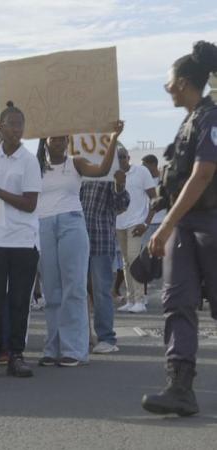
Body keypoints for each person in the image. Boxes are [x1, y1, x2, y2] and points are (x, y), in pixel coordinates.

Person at [141, 40, 217, 416]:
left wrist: (165, 226)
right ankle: (179, 387)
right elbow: (183, 175)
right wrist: (163, 205)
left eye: (169, 81)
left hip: (209, 223)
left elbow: (204, 174)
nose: (166, 87)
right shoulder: (190, 120)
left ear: (184, 81)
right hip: (186, 225)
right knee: (178, 302)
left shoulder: (212, 118)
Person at [35, 121, 124, 367]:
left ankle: (74, 349)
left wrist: (113, 137)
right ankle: (52, 348)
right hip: (43, 226)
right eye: (54, 139)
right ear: (46, 141)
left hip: (71, 223)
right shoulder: (35, 167)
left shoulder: (76, 162)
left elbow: (103, 169)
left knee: (74, 288)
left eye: (63, 138)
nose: (59, 142)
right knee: (51, 290)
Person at [0, 101, 42, 379]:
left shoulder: (29, 160)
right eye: (12, 124)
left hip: (23, 241)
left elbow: (29, 203)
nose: (17, 129)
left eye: (20, 124)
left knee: (18, 301)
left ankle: (16, 354)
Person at [81, 165, 130, 355]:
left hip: (100, 239)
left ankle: (106, 338)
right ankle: (82, 336)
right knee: (77, 290)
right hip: (77, 239)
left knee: (101, 291)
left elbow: (122, 205)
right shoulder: (81, 172)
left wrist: (119, 184)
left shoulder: (111, 176)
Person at [115, 147, 157, 313]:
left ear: (129, 157)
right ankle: (131, 299)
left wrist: (146, 223)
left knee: (133, 260)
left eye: (123, 157)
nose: (121, 160)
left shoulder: (141, 172)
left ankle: (140, 300)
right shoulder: (112, 175)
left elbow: (155, 198)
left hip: (136, 224)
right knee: (125, 262)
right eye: (118, 158)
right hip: (119, 224)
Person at [140, 154, 168, 247]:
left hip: (162, 223)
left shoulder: (164, 180)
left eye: (144, 166)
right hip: (147, 224)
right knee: (145, 257)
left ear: (153, 165)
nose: (142, 169)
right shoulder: (142, 181)